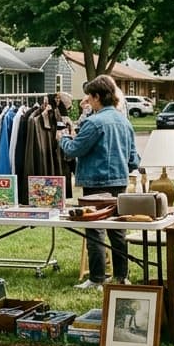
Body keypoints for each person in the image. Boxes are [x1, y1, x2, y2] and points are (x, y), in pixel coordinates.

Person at [58, 74, 141, 289]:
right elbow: (134, 159)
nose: (88, 101)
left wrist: (63, 138)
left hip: (95, 183)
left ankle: (96, 278)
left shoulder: (94, 122)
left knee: (94, 229)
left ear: (96, 96)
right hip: (119, 182)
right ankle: (121, 276)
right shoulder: (124, 121)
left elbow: (74, 150)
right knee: (117, 230)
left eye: (89, 97)